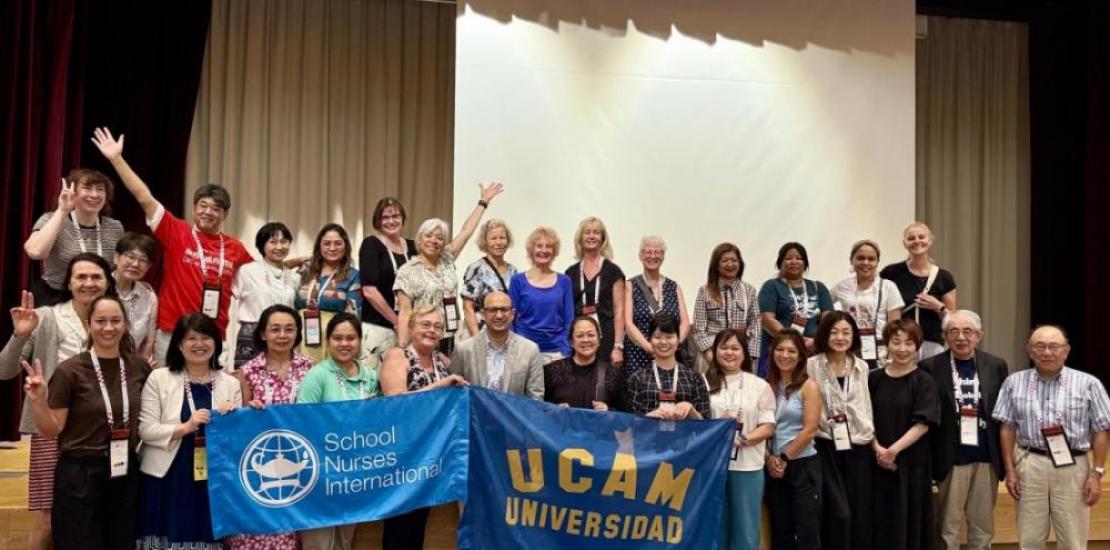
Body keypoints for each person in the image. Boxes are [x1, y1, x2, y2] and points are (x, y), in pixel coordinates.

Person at [92, 127, 253, 366]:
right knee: (165, 396)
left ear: (225, 214)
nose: (208, 212)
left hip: (213, 335)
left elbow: (258, 275)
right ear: (194, 207)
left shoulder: (235, 248)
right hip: (172, 332)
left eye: (216, 208)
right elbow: (144, 197)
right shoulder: (176, 231)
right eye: (203, 205)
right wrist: (116, 159)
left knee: (207, 398)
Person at [0, 253, 115, 550]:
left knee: (96, 515)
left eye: (96, 277)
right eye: (81, 277)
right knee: (49, 520)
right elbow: (4, 370)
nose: (89, 283)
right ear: (69, 282)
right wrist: (19, 335)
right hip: (53, 427)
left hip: (101, 430)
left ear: (107, 282)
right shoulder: (47, 316)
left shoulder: (113, 319)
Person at [22, 295, 149, 549]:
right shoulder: (70, 370)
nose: (108, 327)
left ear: (125, 325)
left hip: (125, 470)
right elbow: (51, 430)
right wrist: (39, 402)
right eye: (101, 321)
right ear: (89, 324)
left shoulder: (138, 367)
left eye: (115, 320)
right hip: (79, 474)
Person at [993, 326, 1110, 550]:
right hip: (1029, 463)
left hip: (1073, 466)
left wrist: (1096, 474)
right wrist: (1010, 471)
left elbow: (1101, 430)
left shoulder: (1088, 384)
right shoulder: (1013, 383)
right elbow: (1007, 427)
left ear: (1066, 351)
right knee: (1030, 539)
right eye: (1040, 346)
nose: (1047, 352)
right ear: (1029, 350)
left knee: (1073, 540)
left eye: (1053, 346)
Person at [138, 313, 242, 549]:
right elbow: (146, 430)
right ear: (179, 344)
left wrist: (231, 420)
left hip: (211, 479)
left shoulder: (230, 384)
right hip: (168, 475)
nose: (199, 344)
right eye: (191, 338)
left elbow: (236, 441)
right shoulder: (159, 378)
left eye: (206, 338)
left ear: (216, 343)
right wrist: (186, 427)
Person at [380, 306, 469, 550]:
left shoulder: (441, 360)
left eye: (438, 326)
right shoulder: (397, 356)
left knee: (419, 525)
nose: (432, 330)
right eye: (426, 324)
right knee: (399, 525)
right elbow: (395, 400)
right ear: (411, 327)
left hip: (430, 454)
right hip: (402, 453)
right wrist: (443, 385)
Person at [225, 304, 313, 549]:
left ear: (297, 333)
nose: (282, 335)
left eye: (289, 329)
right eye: (275, 329)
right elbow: (237, 423)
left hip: (300, 463)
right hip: (260, 465)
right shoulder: (246, 372)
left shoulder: (311, 368)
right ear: (262, 333)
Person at [922, 310, 1009, 550]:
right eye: (954, 331)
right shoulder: (929, 367)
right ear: (945, 336)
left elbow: (1003, 415)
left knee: (982, 526)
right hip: (951, 457)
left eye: (968, 331)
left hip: (986, 457)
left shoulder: (996, 365)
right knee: (947, 527)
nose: (961, 337)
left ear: (979, 335)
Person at [296, 312, 379, 549]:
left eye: (351, 338)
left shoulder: (370, 377)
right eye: (338, 338)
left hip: (354, 474)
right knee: (318, 542)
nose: (344, 344)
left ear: (360, 340)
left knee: (345, 541)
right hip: (320, 474)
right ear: (328, 340)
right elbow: (301, 422)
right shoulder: (317, 375)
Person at [394, 182, 503, 354]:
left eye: (439, 237)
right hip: (422, 339)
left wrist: (483, 202)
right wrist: (402, 349)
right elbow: (405, 313)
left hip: (449, 336)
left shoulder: (447, 258)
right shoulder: (407, 271)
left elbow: (466, 231)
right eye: (428, 236)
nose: (434, 241)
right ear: (419, 240)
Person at [805, 311, 874, 550]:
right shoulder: (811, 365)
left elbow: (865, 406)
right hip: (825, 444)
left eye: (846, 332)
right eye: (834, 332)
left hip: (858, 446)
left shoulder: (862, 367)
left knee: (858, 513)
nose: (840, 337)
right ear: (824, 334)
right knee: (837, 513)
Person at [869, 319, 938, 550]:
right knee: (878, 520)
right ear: (887, 344)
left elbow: (923, 423)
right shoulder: (873, 378)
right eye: (896, 342)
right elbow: (863, 418)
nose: (902, 349)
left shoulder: (924, 380)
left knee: (909, 520)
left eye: (909, 343)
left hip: (911, 462)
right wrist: (877, 448)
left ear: (917, 346)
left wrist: (893, 451)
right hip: (875, 461)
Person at [706, 329, 775, 550]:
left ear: (744, 353)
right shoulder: (703, 382)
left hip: (748, 467)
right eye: (724, 348)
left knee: (746, 529)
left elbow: (768, 426)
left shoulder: (759, 385)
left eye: (735, 348)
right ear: (714, 351)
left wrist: (742, 440)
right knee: (715, 527)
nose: (729, 353)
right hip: (713, 468)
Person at [24, 169, 124, 305]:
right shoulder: (51, 219)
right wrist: (62, 211)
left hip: (96, 300)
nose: (94, 194)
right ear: (73, 193)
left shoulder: (115, 227)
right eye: (87, 188)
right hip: (55, 298)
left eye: (100, 189)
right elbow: (35, 252)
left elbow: (118, 267)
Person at [764, 329, 822, 550]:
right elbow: (763, 427)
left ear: (800, 356)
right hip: (773, 467)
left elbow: (809, 430)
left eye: (791, 351)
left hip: (801, 465)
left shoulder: (809, 386)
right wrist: (770, 458)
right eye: (780, 349)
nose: (785, 355)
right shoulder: (766, 385)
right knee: (781, 530)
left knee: (807, 532)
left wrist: (784, 458)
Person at [880, 222, 957, 359]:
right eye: (911, 238)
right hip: (900, 343)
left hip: (931, 344)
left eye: (921, 237)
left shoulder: (944, 277)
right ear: (905, 243)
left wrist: (938, 306)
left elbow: (952, 320)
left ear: (930, 240)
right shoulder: (891, 273)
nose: (917, 241)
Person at [449, 290, 544, 398]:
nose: (499, 315)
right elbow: (454, 395)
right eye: (493, 310)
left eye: (504, 310)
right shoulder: (463, 350)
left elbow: (535, 399)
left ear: (512, 314)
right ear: (483, 314)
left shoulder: (530, 350)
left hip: (512, 414)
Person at [230, 222, 298, 367]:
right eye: (273, 242)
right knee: (247, 383)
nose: (279, 247)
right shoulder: (247, 271)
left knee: (280, 381)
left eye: (284, 241)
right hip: (252, 335)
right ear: (262, 245)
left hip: (283, 334)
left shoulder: (293, 276)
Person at [760, 242, 834, 373]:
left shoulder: (818, 287)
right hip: (782, 354)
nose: (794, 262)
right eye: (788, 258)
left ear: (805, 263)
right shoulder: (771, 286)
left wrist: (816, 341)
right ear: (780, 263)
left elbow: (829, 321)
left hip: (814, 352)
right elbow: (767, 320)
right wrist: (792, 343)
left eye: (799, 258)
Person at [623, 235, 690, 374]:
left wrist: (673, 345)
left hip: (670, 354)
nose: (652, 256)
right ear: (641, 256)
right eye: (648, 252)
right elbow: (628, 324)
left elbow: (685, 322)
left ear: (663, 256)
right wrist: (649, 347)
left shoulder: (674, 286)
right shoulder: (630, 285)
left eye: (657, 252)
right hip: (638, 355)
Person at [359, 197, 416, 359]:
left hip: (409, 329)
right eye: (385, 217)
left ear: (403, 219)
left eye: (395, 216)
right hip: (379, 327)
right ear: (377, 221)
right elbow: (369, 290)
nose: (391, 221)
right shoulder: (371, 245)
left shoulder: (414, 247)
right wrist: (397, 322)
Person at [295, 224, 362, 362]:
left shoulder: (353, 275)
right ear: (319, 246)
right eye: (326, 243)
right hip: (301, 334)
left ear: (346, 247)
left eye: (337, 243)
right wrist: (302, 258)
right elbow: (279, 267)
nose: (332, 248)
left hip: (333, 336)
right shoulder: (306, 269)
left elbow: (353, 314)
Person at [623, 312, 709, 420]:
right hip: (650, 436)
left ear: (678, 340)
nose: (663, 342)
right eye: (657, 337)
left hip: (684, 437)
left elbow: (708, 426)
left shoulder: (694, 378)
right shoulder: (637, 379)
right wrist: (647, 419)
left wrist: (691, 410)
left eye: (669, 337)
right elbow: (627, 424)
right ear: (650, 340)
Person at [832, 240, 903, 369]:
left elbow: (895, 325)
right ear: (851, 260)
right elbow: (823, 306)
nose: (866, 262)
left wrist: (892, 356)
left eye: (871, 259)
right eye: (860, 258)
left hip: (880, 351)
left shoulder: (888, 287)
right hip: (849, 349)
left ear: (877, 262)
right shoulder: (842, 286)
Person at [565, 217, 626, 366]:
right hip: (580, 339)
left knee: (603, 384)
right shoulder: (570, 273)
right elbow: (566, 312)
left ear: (603, 238)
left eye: (596, 232)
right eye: (587, 232)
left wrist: (618, 347)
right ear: (580, 238)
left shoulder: (613, 271)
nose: (592, 236)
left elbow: (619, 311)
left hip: (607, 339)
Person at [508, 227, 575, 361]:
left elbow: (569, 320)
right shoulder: (517, 281)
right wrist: (514, 349)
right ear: (531, 250)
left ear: (554, 251)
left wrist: (566, 350)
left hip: (556, 352)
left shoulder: (564, 281)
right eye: (539, 246)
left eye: (548, 246)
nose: (544, 250)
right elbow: (510, 319)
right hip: (524, 352)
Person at [692, 243, 761, 372]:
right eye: (724, 261)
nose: (730, 265)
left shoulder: (749, 291)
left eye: (734, 260)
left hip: (741, 355)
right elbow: (698, 329)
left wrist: (750, 357)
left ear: (740, 264)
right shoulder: (705, 291)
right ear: (716, 265)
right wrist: (711, 357)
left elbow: (755, 325)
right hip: (710, 354)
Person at [544, 316, 624, 410]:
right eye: (579, 336)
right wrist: (555, 410)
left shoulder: (611, 374)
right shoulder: (553, 370)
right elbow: (539, 409)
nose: (586, 340)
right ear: (571, 342)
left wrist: (608, 411)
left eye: (591, 335)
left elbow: (624, 414)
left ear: (599, 340)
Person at [461, 219, 518, 337]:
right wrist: (476, 340)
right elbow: (468, 307)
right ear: (485, 242)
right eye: (493, 238)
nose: (499, 242)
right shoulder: (477, 268)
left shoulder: (513, 270)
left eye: (502, 237)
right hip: (482, 333)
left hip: (506, 334)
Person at [113, 233, 159, 363]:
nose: (135, 264)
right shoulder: (100, 287)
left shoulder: (149, 296)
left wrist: (140, 369)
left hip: (131, 366)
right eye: (131, 256)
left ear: (149, 266)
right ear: (116, 258)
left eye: (143, 260)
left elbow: (149, 341)